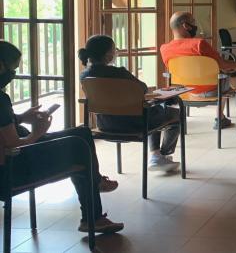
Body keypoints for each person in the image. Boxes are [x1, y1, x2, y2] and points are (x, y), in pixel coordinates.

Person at [0, 41, 124, 234]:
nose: (12, 75)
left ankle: (95, 190)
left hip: (12, 163)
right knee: (80, 145)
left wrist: (22, 118)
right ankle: (93, 214)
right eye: (12, 69)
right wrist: (38, 132)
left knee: (81, 133)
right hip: (14, 170)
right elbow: (13, 145)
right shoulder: (0, 99)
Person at [79, 35, 180, 172]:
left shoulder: (85, 76)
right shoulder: (120, 73)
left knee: (154, 111)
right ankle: (161, 155)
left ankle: (158, 156)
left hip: (105, 124)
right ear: (108, 55)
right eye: (115, 50)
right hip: (135, 124)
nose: (116, 53)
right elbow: (142, 88)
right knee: (175, 113)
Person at [160, 11, 236, 130]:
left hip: (185, 92)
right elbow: (223, 65)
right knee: (227, 73)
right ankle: (221, 117)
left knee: (223, 74)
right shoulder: (199, 44)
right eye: (193, 22)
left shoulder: (164, 49)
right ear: (186, 26)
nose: (195, 25)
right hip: (211, 91)